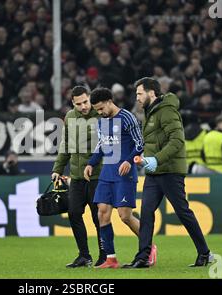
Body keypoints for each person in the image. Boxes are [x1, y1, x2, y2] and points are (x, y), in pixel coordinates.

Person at [124, 77, 212, 268]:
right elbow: (154, 142)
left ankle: (204, 253)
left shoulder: (167, 110)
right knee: (146, 213)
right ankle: (143, 257)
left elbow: (177, 141)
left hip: (170, 171)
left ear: (151, 93)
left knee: (182, 212)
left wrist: (156, 159)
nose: (137, 98)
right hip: (154, 172)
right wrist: (146, 159)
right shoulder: (151, 112)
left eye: (139, 93)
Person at [84, 87, 157, 269]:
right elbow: (101, 145)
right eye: (97, 110)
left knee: (125, 216)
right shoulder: (102, 122)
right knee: (102, 213)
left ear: (110, 101)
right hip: (106, 174)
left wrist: (128, 161)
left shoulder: (127, 117)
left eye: (101, 108)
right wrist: (91, 163)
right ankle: (111, 258)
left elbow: (140, 143)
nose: (100, 112)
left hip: (124, 174)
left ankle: (149, 247)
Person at [51, 86, 106, 268]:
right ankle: (84, 256)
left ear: (89, 98)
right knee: (74, 213)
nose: (83, 106)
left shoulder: (101, 115)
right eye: (79, 103)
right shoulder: (70, 117)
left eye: (85, 102)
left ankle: (104, 255)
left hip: (97, 175)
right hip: (76, 176)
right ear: (73, 103)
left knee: (98, 217)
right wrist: (58, 168)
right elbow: (66, 144)